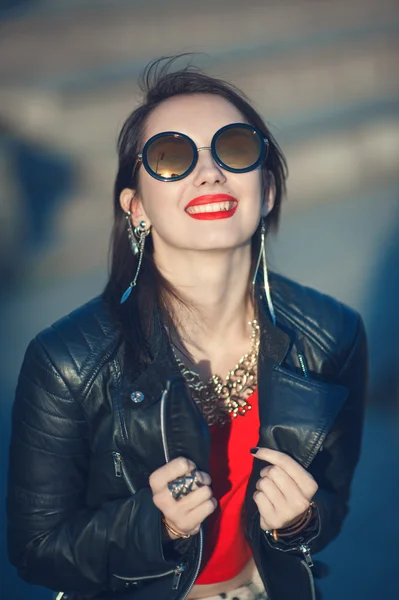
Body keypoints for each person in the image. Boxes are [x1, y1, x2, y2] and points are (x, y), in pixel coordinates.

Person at [7, 57, 368, 600]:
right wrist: (155, 526)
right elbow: (36, 549)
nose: (209, 172)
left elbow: (332, 504)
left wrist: (299, 521)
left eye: (236, 149)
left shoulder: (330, 334)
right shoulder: (67, 362)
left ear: (266, 191)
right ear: (137, 210)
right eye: (171, 157)